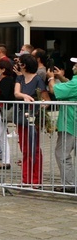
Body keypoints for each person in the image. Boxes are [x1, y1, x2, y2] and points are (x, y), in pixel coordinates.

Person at [14, 53, 49, 186]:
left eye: (19, 62)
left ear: (24, 65)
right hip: (22, 118)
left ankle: (35, 179)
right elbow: (16, 93)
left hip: (33, 119)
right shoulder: (20, 79)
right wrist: (24, 96)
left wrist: (39, 106)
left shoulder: (38, 79)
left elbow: (45, 99)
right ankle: (25, 178)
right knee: (24, 149)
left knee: (34, 148)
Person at [47, 57, 77, 192]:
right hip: (71, 122)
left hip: (71, 123)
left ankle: (70, 184)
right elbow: (71, 87)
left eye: (76, 64)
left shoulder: (75, 83)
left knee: (62, 154)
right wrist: (62, 78)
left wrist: (50, 78)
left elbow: (54, 90)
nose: (73, 66)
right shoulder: (74, 82)